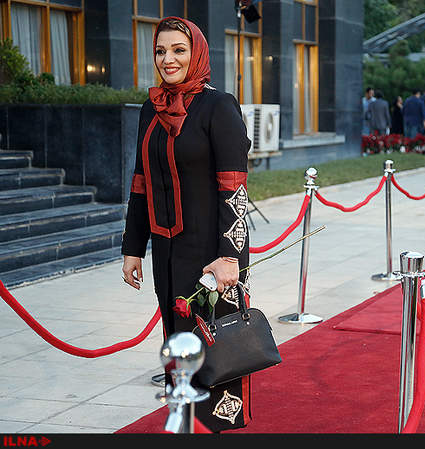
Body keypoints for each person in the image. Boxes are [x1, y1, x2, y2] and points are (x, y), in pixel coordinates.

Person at [121, 17, 252, 432]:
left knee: (216, 347)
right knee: (178, 340)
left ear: (196, 53)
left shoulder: (219, 106)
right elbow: (140, 181)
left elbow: (234, 188)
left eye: (179, 50)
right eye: (160, 51)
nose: (168, 59)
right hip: (167, 249)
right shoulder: (151, 107)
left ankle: (220, 427)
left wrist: (230, 256)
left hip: (213, 252)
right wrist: (132, 247)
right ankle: (184, 420)